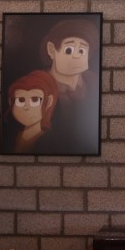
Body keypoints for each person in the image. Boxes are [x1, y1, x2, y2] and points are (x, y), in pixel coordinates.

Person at [39, 18, 100, 153]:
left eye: (82, 51)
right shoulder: (36, 86)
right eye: (68, 50)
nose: (76, 57)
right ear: (51, 50)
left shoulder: (95, 83)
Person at [3, 70, 58, 153]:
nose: (27, 106)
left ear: (49, 102)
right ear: (11, 102)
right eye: (21, 100)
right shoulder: (11, 137)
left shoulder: (49, 141)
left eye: (35, 100)